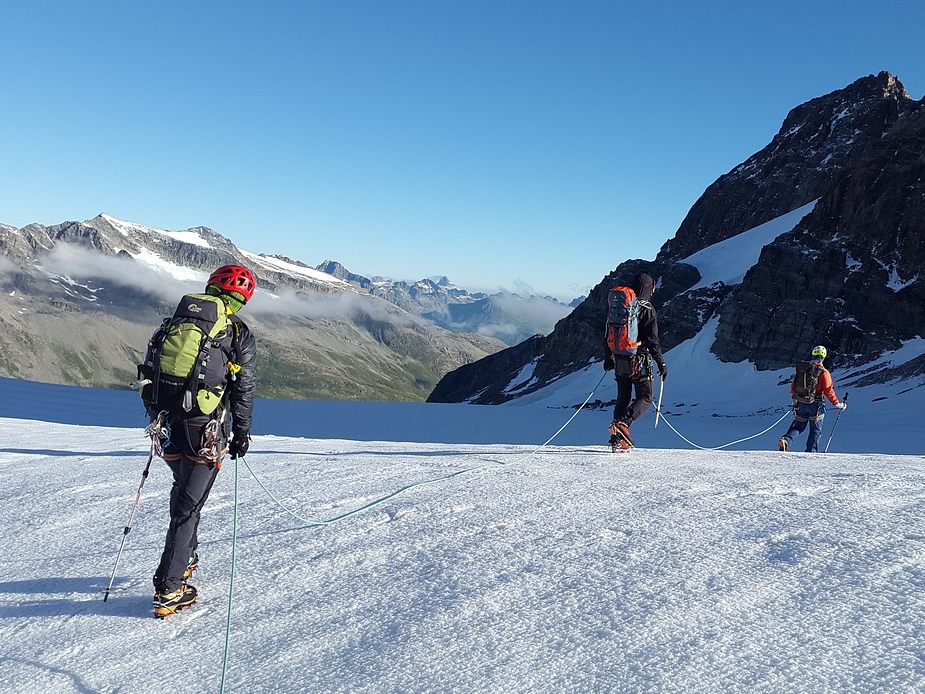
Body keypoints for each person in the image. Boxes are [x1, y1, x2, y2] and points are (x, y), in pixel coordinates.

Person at [146, 264, 258, 617]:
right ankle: (168, 588)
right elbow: (243, 389)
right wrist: (241, 433)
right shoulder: (237, 332)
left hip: (165, 425)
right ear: (243, 297)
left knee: (183, 490)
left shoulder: (175, 322)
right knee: (188, 507)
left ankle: (187, 557)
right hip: (203, 429)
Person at [603, 272, 667, 451]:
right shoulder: (647, 308)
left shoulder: (621, 306)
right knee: (645, 397)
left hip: (620, 358)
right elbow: (653, 340)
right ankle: (624, 424)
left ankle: (618, 439)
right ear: (649, 288)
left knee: (623, 397)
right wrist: (661, 363)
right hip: (639, 360)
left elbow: (608, 331)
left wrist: (609, 357)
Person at [778, 345, 846, 453]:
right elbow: (829, 390)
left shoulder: (803, 369)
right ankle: (811, 452)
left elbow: (793, 386)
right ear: (824, 356)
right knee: (815, 430)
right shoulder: (823, 372)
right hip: (816, 405)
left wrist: (795, 398)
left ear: (813, 354)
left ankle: (786, 440)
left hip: (800, 402)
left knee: (799, 425)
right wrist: (837, 404)